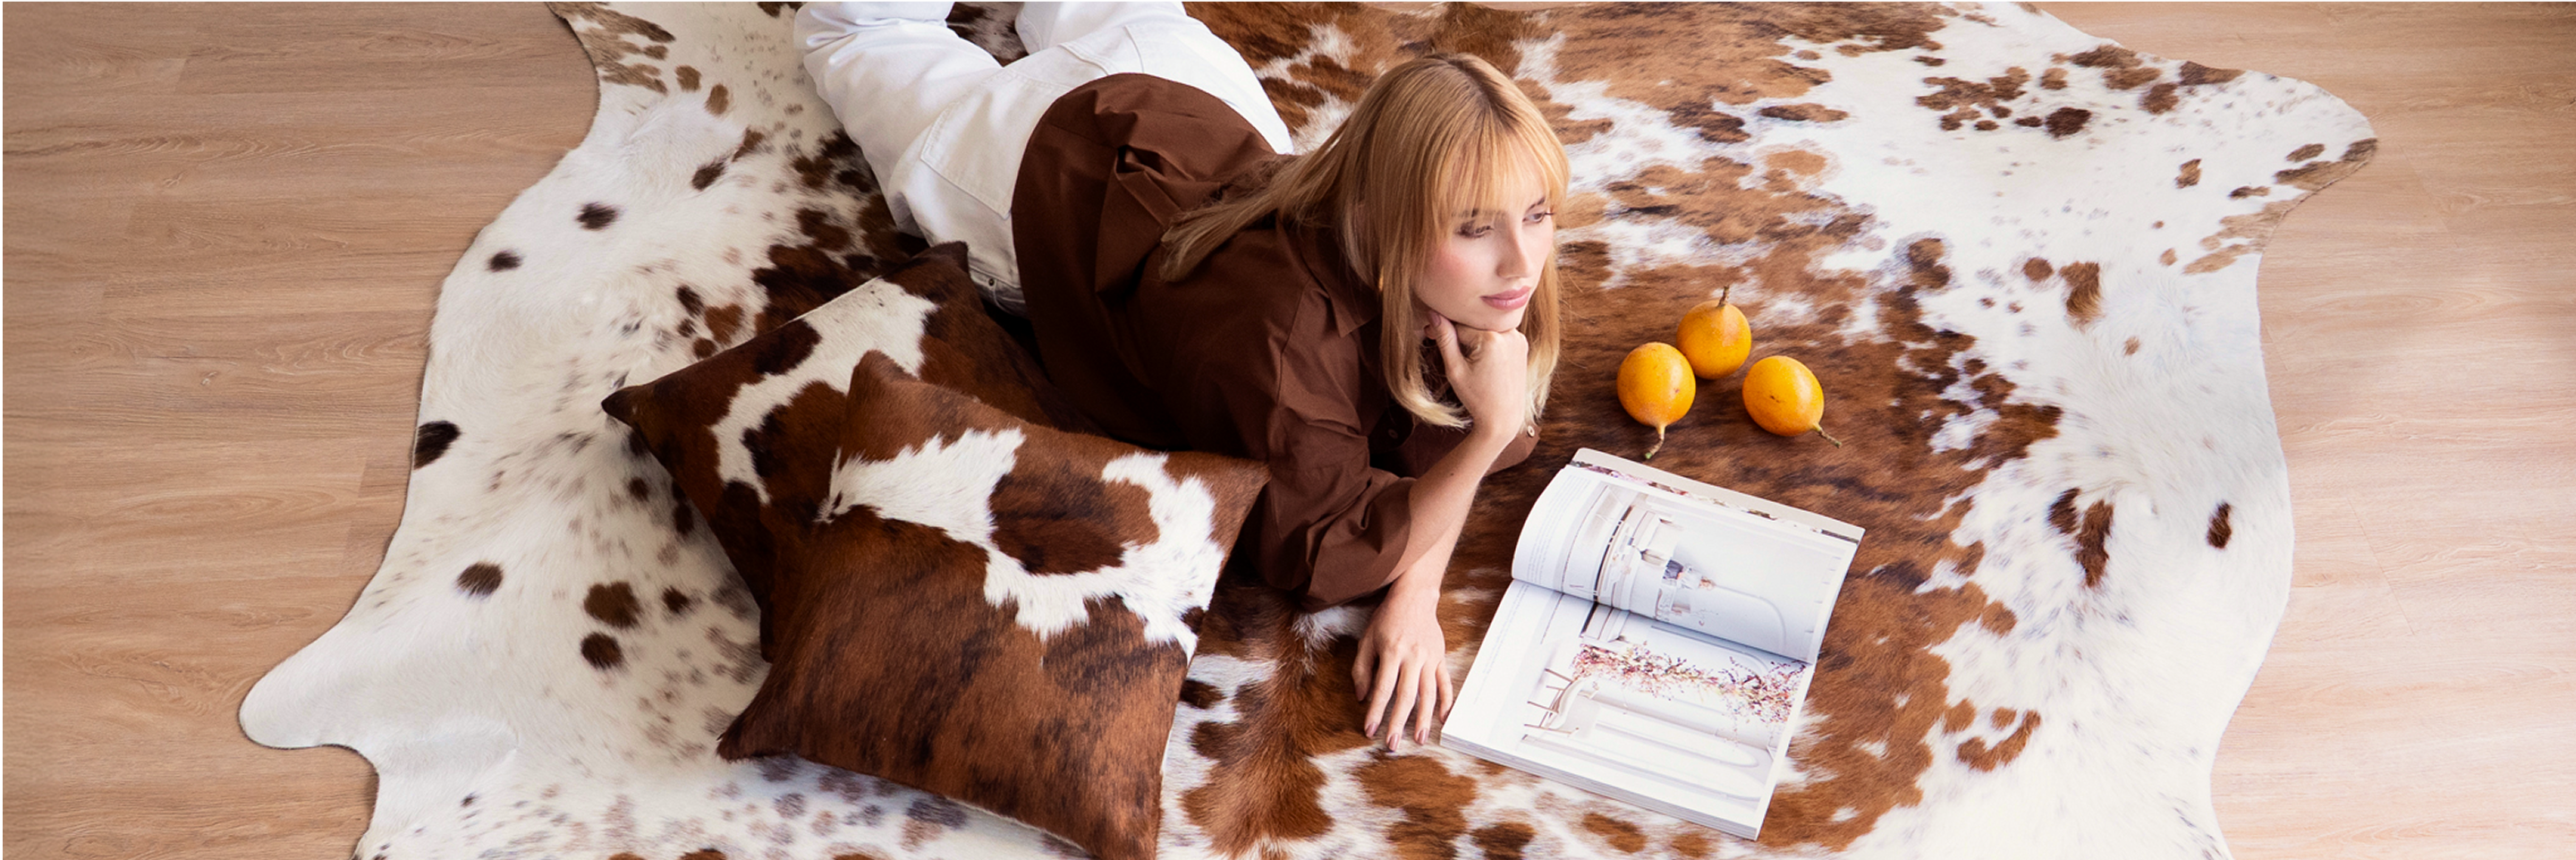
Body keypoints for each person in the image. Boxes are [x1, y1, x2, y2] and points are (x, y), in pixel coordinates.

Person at [798, 1, 1567, 750]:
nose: (1523, 263)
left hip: (1188, 85)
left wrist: (1419, 590)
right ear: (1389, 213)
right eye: (1475, 227)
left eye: (1538, 213)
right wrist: (1489, 432)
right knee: (863, 29)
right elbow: (1329, 553)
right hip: (1046, 159)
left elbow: (1427, 464)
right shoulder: (1280, 343)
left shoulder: (1476, 271)